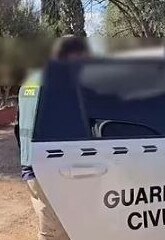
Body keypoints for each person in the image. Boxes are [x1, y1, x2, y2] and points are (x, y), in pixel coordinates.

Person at [18, 36, 90, 240]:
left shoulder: (31, 80)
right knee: (54, 232)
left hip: (32, 163)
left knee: (55, 226)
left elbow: (20, 125)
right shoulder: (60, 82)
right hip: (52, 168)